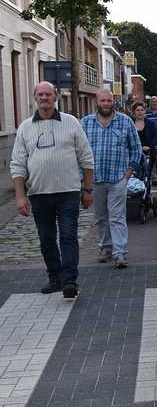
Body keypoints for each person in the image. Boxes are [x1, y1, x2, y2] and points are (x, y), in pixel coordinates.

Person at [10, 82, 95, 298]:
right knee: (47, 239)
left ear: (55, 97)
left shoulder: (71, 123)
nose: (45, 98)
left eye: (49, 94)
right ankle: (55, 277)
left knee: (68, 236)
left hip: (68, 191)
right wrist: (20, 196)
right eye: (41, 94)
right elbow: (18, 164)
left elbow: (86, 158)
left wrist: (87, 189)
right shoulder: (25, 128)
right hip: (39, 193)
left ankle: (69, 281)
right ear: (35, 98)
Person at [81, 88, 142, 268]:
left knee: (117, 217)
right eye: (103, 101)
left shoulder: (125, 122)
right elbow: (78, 151)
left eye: (109, 101)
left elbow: (136, 149)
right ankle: (106, 248)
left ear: (113, 101)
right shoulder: (85, 123)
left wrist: (128, 174)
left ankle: (120, 253)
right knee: (100, 217)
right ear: (97, 102)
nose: (106, 104)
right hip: (95, 179)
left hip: (118, 178)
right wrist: (83, 179)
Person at [131, 102, 157, 178]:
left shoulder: (151, 123)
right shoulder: (130, 124)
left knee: (147, 176)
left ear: (145, 111)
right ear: (134, 112)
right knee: (136, 176)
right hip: (134, 154)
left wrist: (149, 146)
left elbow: (156, 137)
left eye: (142, 110)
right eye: (137, 110)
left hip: (149, 153)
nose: (140, 112)